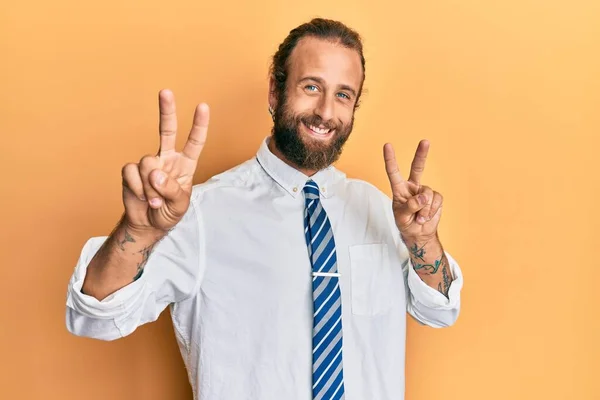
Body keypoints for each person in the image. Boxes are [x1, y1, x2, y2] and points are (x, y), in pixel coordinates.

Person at [65, 18, 463, 400]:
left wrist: (423, 242)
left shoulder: (380, 209)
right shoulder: (201, 212)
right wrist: (141, 231)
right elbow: (96, 316)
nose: (326, 112)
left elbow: (439, 312)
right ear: (275, 90)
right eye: (311, 86)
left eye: (343, 95)